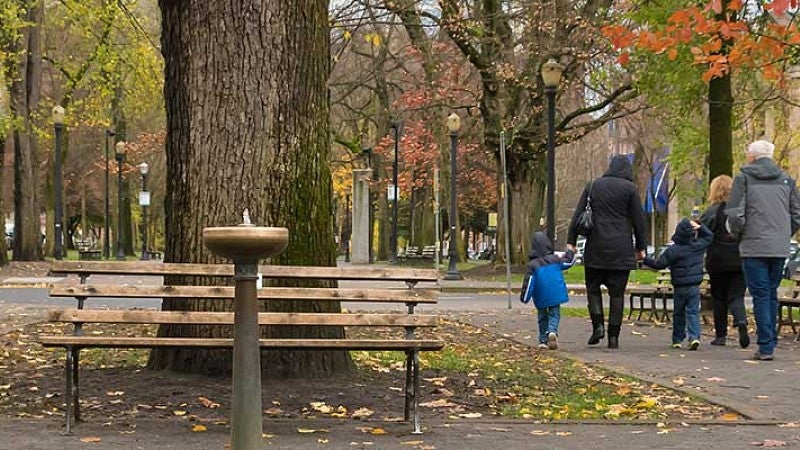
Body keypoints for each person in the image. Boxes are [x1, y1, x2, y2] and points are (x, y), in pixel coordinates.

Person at [726, 140, 800, 361]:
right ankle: (770, 341)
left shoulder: (743, 178)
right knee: (771, 292)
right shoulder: (787, 180)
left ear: (753, 156)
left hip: (753, 246)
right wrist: (783, 234)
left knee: (760, 294)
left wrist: (740, 235)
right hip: (779, 247)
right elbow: (797, 214)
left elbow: (734, 213)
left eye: (747, 153)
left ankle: (766, 345)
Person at [567, 155, 648, 349]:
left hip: (596, 247)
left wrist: (571, 242)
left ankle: (597, 327)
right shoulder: (630, 189)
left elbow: (578, 215)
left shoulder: (593, 186)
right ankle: (614, 337)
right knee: (617, 295)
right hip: (621, 250)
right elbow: (639, 222)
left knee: (593, 289)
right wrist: (641, 248)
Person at [644, 219, 713, 350]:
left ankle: (677, 339)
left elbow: (659, 264)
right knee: (693, 312)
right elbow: (709, 236)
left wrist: (645, 259)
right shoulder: (697, 246)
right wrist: (700, 227)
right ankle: (694, 337)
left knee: (679, 313)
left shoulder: (673, 250)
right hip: (694, 286)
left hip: (679, 286)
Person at [700, 175, 750, 348]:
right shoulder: (740, 212)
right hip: (739, 258)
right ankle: (741, 320)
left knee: (719, 297)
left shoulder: (711, 212)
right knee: (737, 295)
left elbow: (701, 232)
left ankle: (721, 336)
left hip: (717, 260)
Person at [520, 232, 575, 350]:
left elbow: (529, 282)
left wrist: (524, 297)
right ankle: (552, 331)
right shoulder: (555, 260)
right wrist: (570, 250)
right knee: (554, 314)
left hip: (540, 296)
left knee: (542, 317)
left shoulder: (533, 265)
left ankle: (543, 341)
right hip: (556, 294)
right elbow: (568, 261)